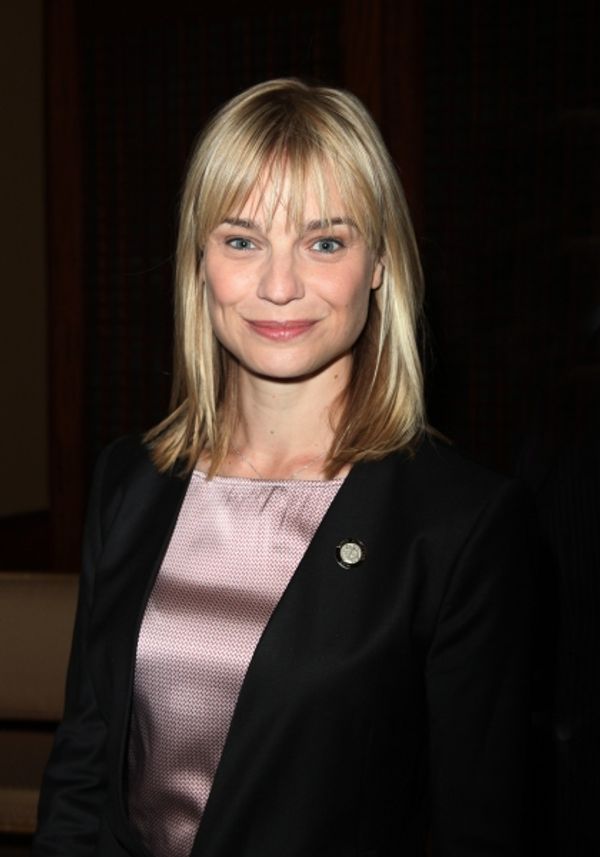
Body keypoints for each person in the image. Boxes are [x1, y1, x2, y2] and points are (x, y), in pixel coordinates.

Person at [33, 78, 533, 857]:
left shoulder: (460, 523)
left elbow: (483, 825)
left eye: (324, 241)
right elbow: (86, 766)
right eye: (242, 239)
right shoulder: (128, 480)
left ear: (378, 262)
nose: (278, 284)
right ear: (200, 259)